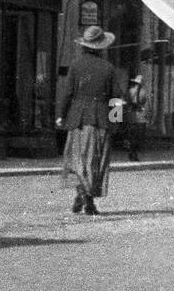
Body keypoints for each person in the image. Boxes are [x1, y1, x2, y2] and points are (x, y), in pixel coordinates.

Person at [56, 25, 119, 215]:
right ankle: (88, 199)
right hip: (100, 119)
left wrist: (61, 115)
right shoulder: (108, 68)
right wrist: (115, 121)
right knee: (95, 160)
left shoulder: (75, 65)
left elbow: (67, 93)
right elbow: (116, 98)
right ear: (101, 46)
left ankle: (81, 195)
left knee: (77, 159)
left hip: (77, 119)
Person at [124, 73, 147, 162]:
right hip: (139, 116)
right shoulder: (143, 92)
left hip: (131, 115)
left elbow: (126, 102)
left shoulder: (130, 91)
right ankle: (134, 153)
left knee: (131, 135)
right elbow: (144, 102)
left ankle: (131, 152)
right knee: (137, 136)